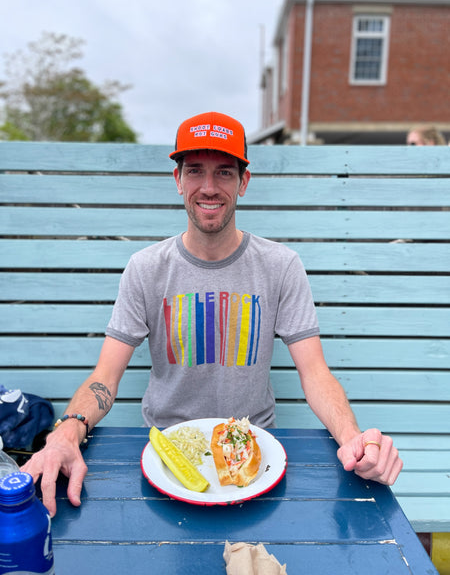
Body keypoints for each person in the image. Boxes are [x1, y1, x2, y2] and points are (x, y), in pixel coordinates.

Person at [22, 111, 403, 516]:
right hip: (165, 455)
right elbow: (105, 377)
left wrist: (352, 438)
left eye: (224, 172)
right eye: (195, 171)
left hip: (255, 452)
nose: (208, 187)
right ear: (177, 180)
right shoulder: (146, 268)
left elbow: (315, 374)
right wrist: (67, 431)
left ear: (243, 182)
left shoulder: (281, 265)